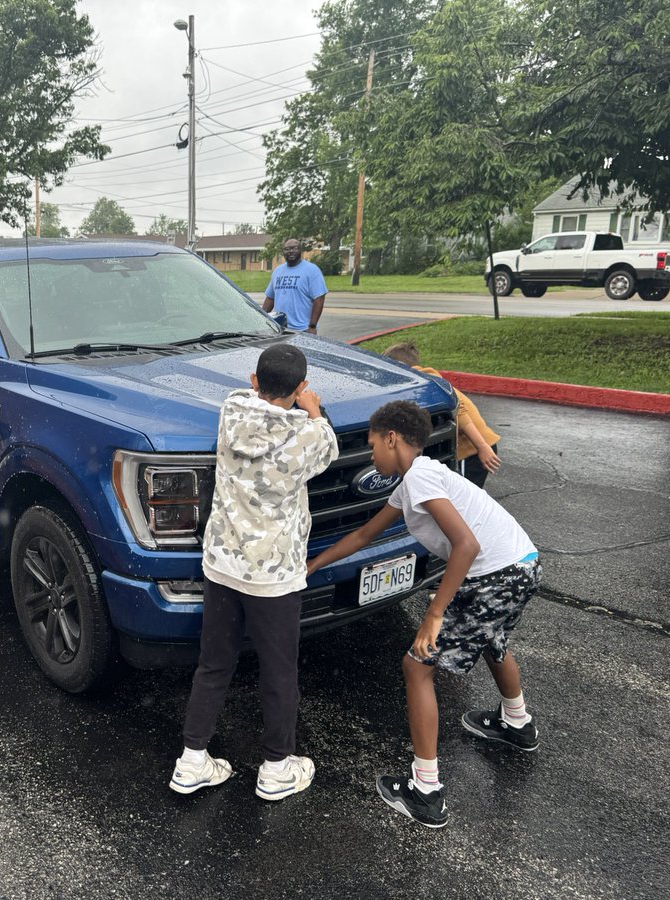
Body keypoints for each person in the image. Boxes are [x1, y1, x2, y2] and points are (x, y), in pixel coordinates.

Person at [307, 400, 542, 828]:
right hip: (521, 563)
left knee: (416, 667)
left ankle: (425, 791)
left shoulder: (422, 476)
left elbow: (465, 545)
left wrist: (435, 613)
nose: (372, 452)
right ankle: (517, 723)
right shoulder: (415, 480)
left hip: (495, 573)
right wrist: (312, 566)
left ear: (392, 438)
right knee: (491, 639)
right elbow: (363, 535)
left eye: (373, 443)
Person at [170, 343, 339, 801]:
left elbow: (248, 400)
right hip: (274, 577)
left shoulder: (230, 411)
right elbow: (327, 445)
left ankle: (191, 761)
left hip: (223, 566)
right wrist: (313, 408)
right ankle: (277, 767)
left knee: (213, 663)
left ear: (252, 380)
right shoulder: (309, 436)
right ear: (301, 388)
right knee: (279, 671)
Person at [382, 340, 501, 487]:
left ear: (399, 367)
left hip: (472, 448)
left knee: (461, 497)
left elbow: (460, 410)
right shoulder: (422, 381)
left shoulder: (425, 381)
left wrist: (481, 447)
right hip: (472, 446)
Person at [262, 238, 328, 334]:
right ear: (283, 252)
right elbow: (270, 298)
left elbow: (319, 299)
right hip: (280, 329)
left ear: (300, 250)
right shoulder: (278, 271)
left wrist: (312, 326)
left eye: (294, 248)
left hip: (303, 329)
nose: (290, 251)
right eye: (287, 249)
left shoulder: (312, 270)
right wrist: (261, 318)